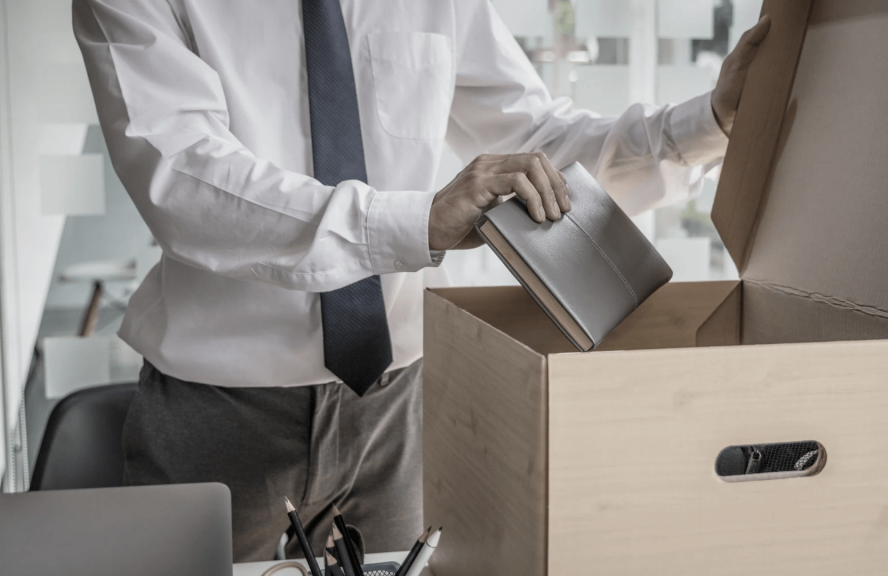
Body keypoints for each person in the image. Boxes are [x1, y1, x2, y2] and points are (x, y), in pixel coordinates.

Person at [72, 0, 770, 562]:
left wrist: (708, 122)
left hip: (395, 406)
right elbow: (184, 180)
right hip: (216, 415)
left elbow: (537, 144)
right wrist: (419, 222)